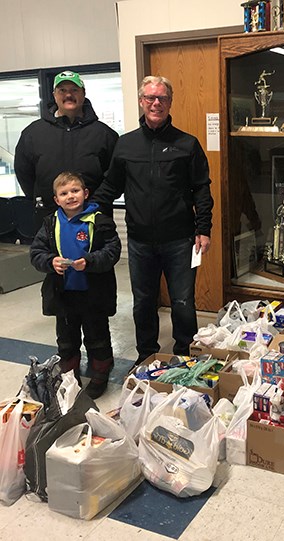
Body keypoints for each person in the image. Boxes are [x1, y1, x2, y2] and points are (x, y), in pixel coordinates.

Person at [93, 75, 213, 366]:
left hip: (180, 240)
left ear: (170, 102)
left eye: (162, 98)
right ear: (141, 101)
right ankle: (146, 354)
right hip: (139, 241)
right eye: (150, 97)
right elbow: (110, 187)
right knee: (143, 302)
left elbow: (201, 188)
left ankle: (186, 353)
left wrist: (204, 229)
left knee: (183, 302)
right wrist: (85, 213)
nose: (156, 103)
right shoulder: (126, 144)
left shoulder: (187, 144)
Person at [30, 172, 121, 399]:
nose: (70, 196)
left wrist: (89, 261)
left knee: (97, 335)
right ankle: (70, 375)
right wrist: (51, 262)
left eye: (75, 191)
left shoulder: (100, 220)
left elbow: (112, 251)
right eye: (64, 193)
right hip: (64, 294)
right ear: (56, 199)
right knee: (66, 338)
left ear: (85, 193)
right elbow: (36, 253)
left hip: (94, 293)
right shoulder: (50, 223)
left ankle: (100, 374)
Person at [14, 70, 118, 228]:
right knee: (51, 254)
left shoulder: (104, 134)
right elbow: (24, 173)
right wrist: (42, 197)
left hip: (94, 218)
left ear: (83, 94)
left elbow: (115, 176)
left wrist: (96, 202)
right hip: (49, 218)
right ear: (54, 95)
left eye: (74, 90)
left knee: (95, 254)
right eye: (62, 90)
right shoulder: (33, 133)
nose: (68, 95)